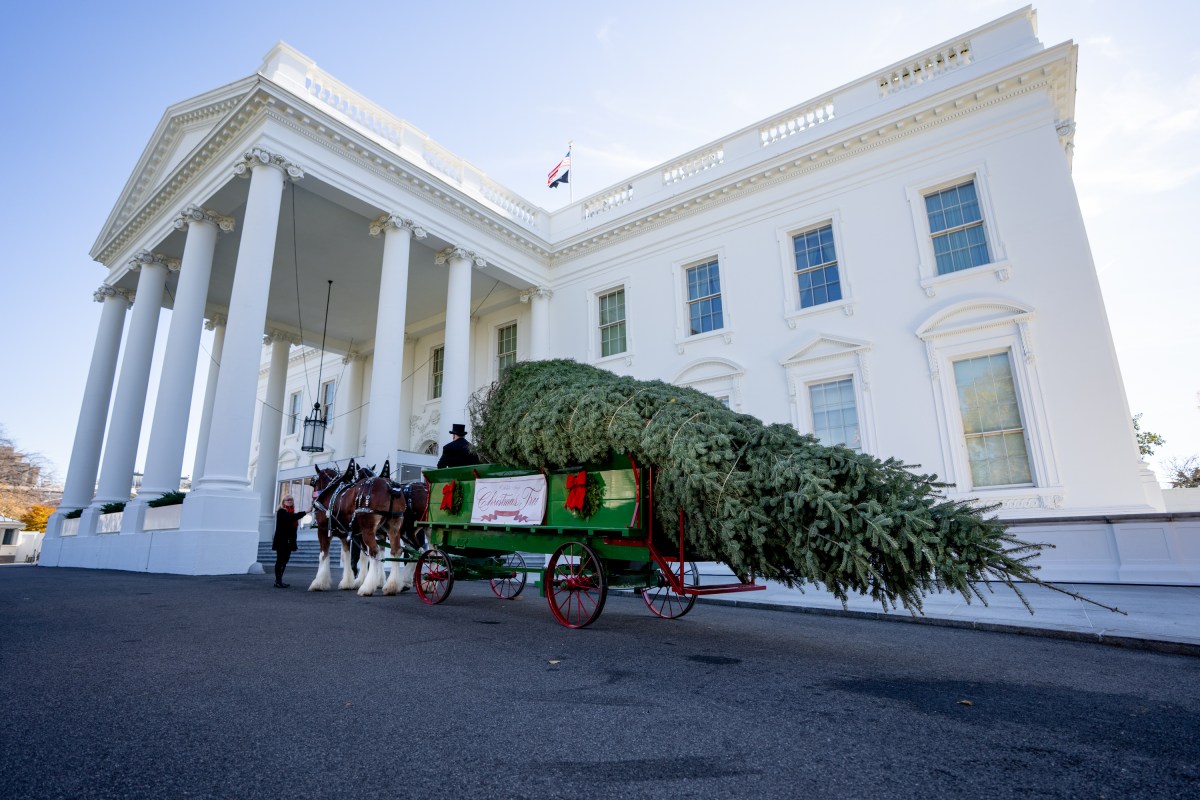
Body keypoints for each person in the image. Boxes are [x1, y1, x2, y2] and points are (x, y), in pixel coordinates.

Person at [272, 496, 307, 588]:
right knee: (280, 560)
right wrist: (306, 512)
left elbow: (293, 518)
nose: (290, 501)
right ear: (283, 502)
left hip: (289, 541)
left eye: (291, 499)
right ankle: (278, 581)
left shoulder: (291, 511)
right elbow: (291, 518)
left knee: (285, 560)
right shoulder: (281, 512)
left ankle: (279, 580)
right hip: (281, 541)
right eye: (288, 500)